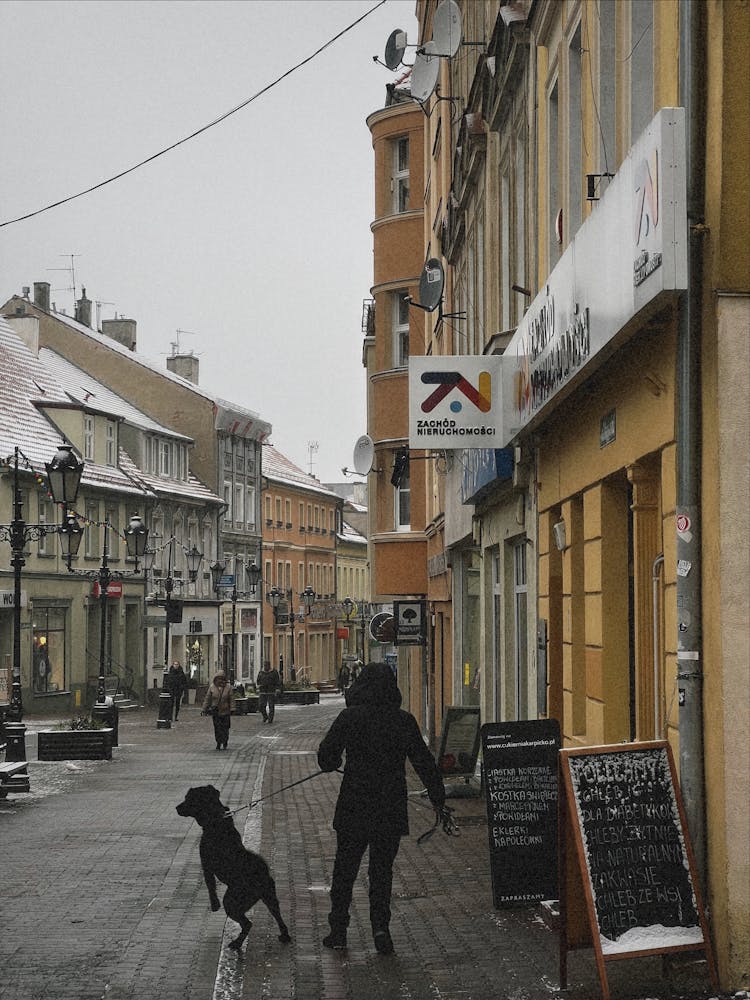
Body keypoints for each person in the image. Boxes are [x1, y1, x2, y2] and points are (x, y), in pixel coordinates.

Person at [317, 662, 446, 956]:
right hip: (390, 805)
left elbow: (327, 757)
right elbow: (423, 761)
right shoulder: (403, 720)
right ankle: (381, 930)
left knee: (345, 870)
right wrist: (438, 797)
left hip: (354, 804)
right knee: (381, 872)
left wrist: (335, 763)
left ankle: (338, 930)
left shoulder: (350, 717)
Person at [201, 671, 235, 750]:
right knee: (217, 727)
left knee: (225, 727)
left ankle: (225, 741)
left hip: (225, 711)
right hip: (216, 711)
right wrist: (204, 708)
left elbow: (231, 699)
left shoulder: (228, 687)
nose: (220, 680)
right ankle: (218, 742)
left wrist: (233, 708)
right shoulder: (212, 687)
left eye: (221, 678)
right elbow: (208, 698)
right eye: (218, 678)